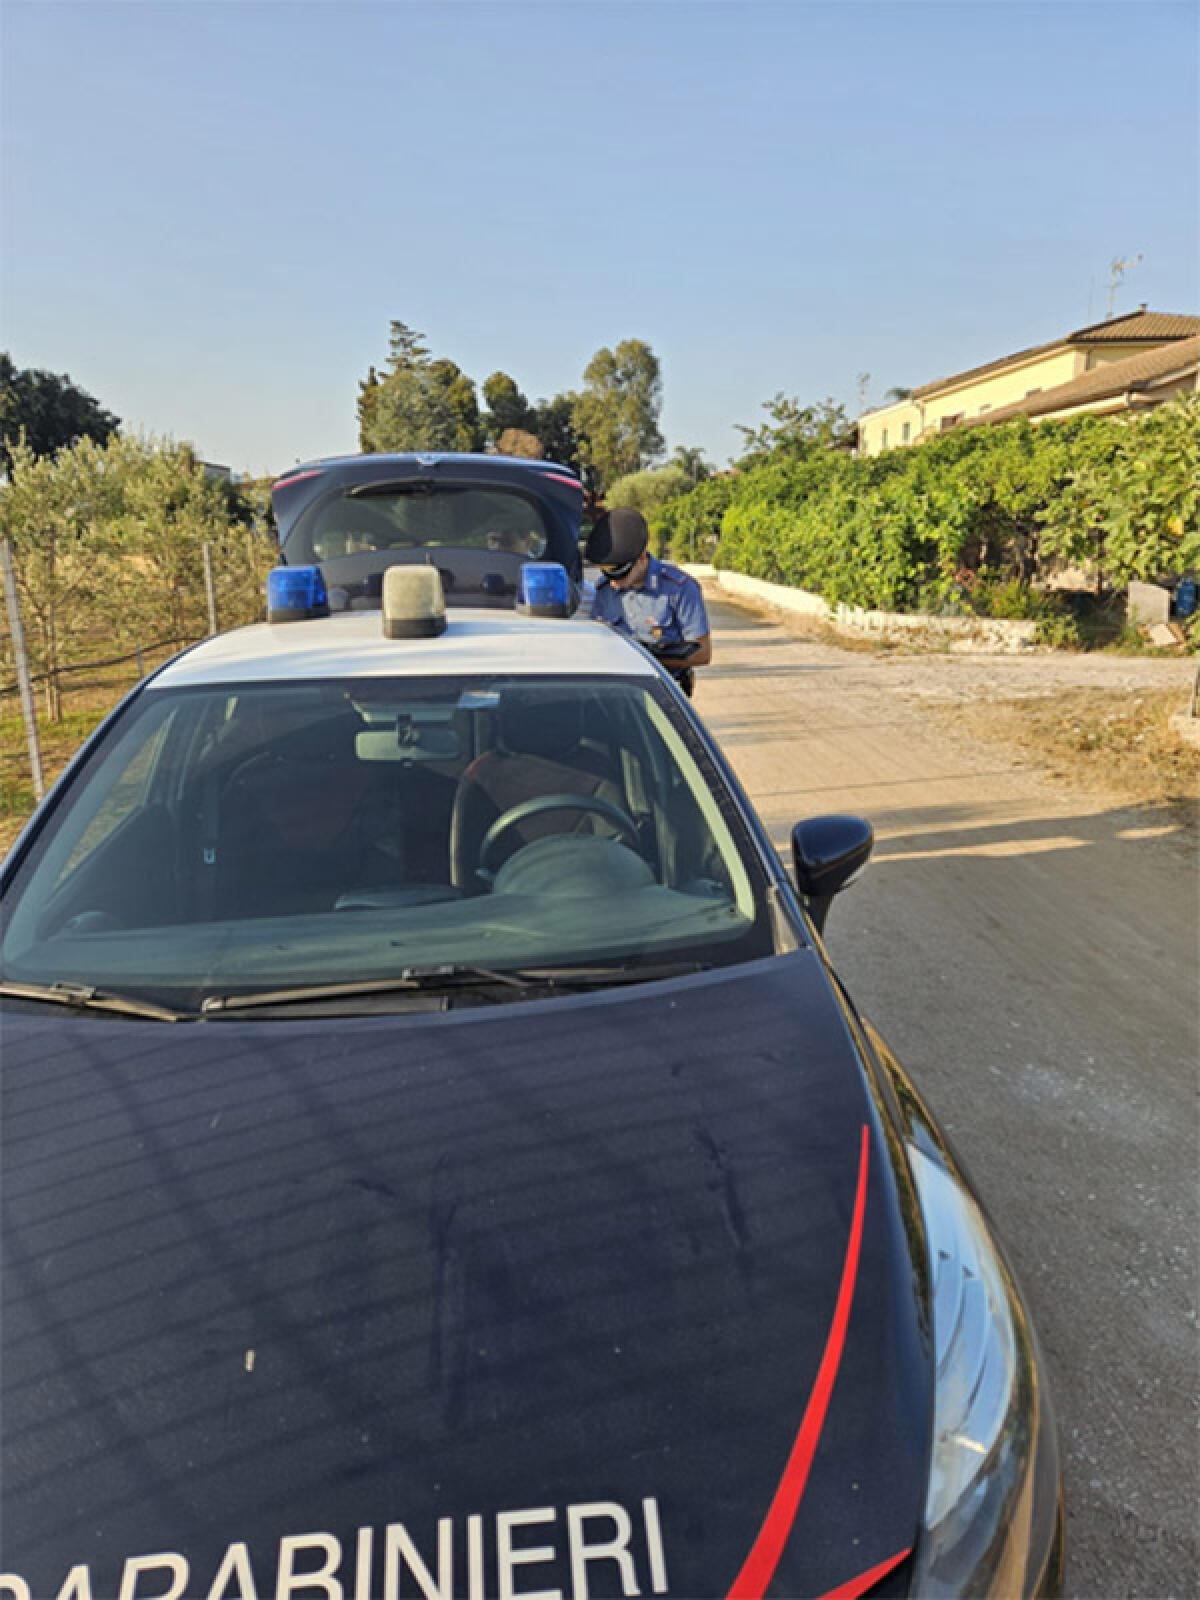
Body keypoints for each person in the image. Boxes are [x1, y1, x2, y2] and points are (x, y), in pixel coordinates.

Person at [585, 508, 711, 695]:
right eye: (609, 574)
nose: (615, 583)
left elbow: (702, 653)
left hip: (661, 691)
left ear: (642, 559)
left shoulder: (679, 589)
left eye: (622, 575)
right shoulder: (605, 589)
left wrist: (644, 656)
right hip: (615, 691)